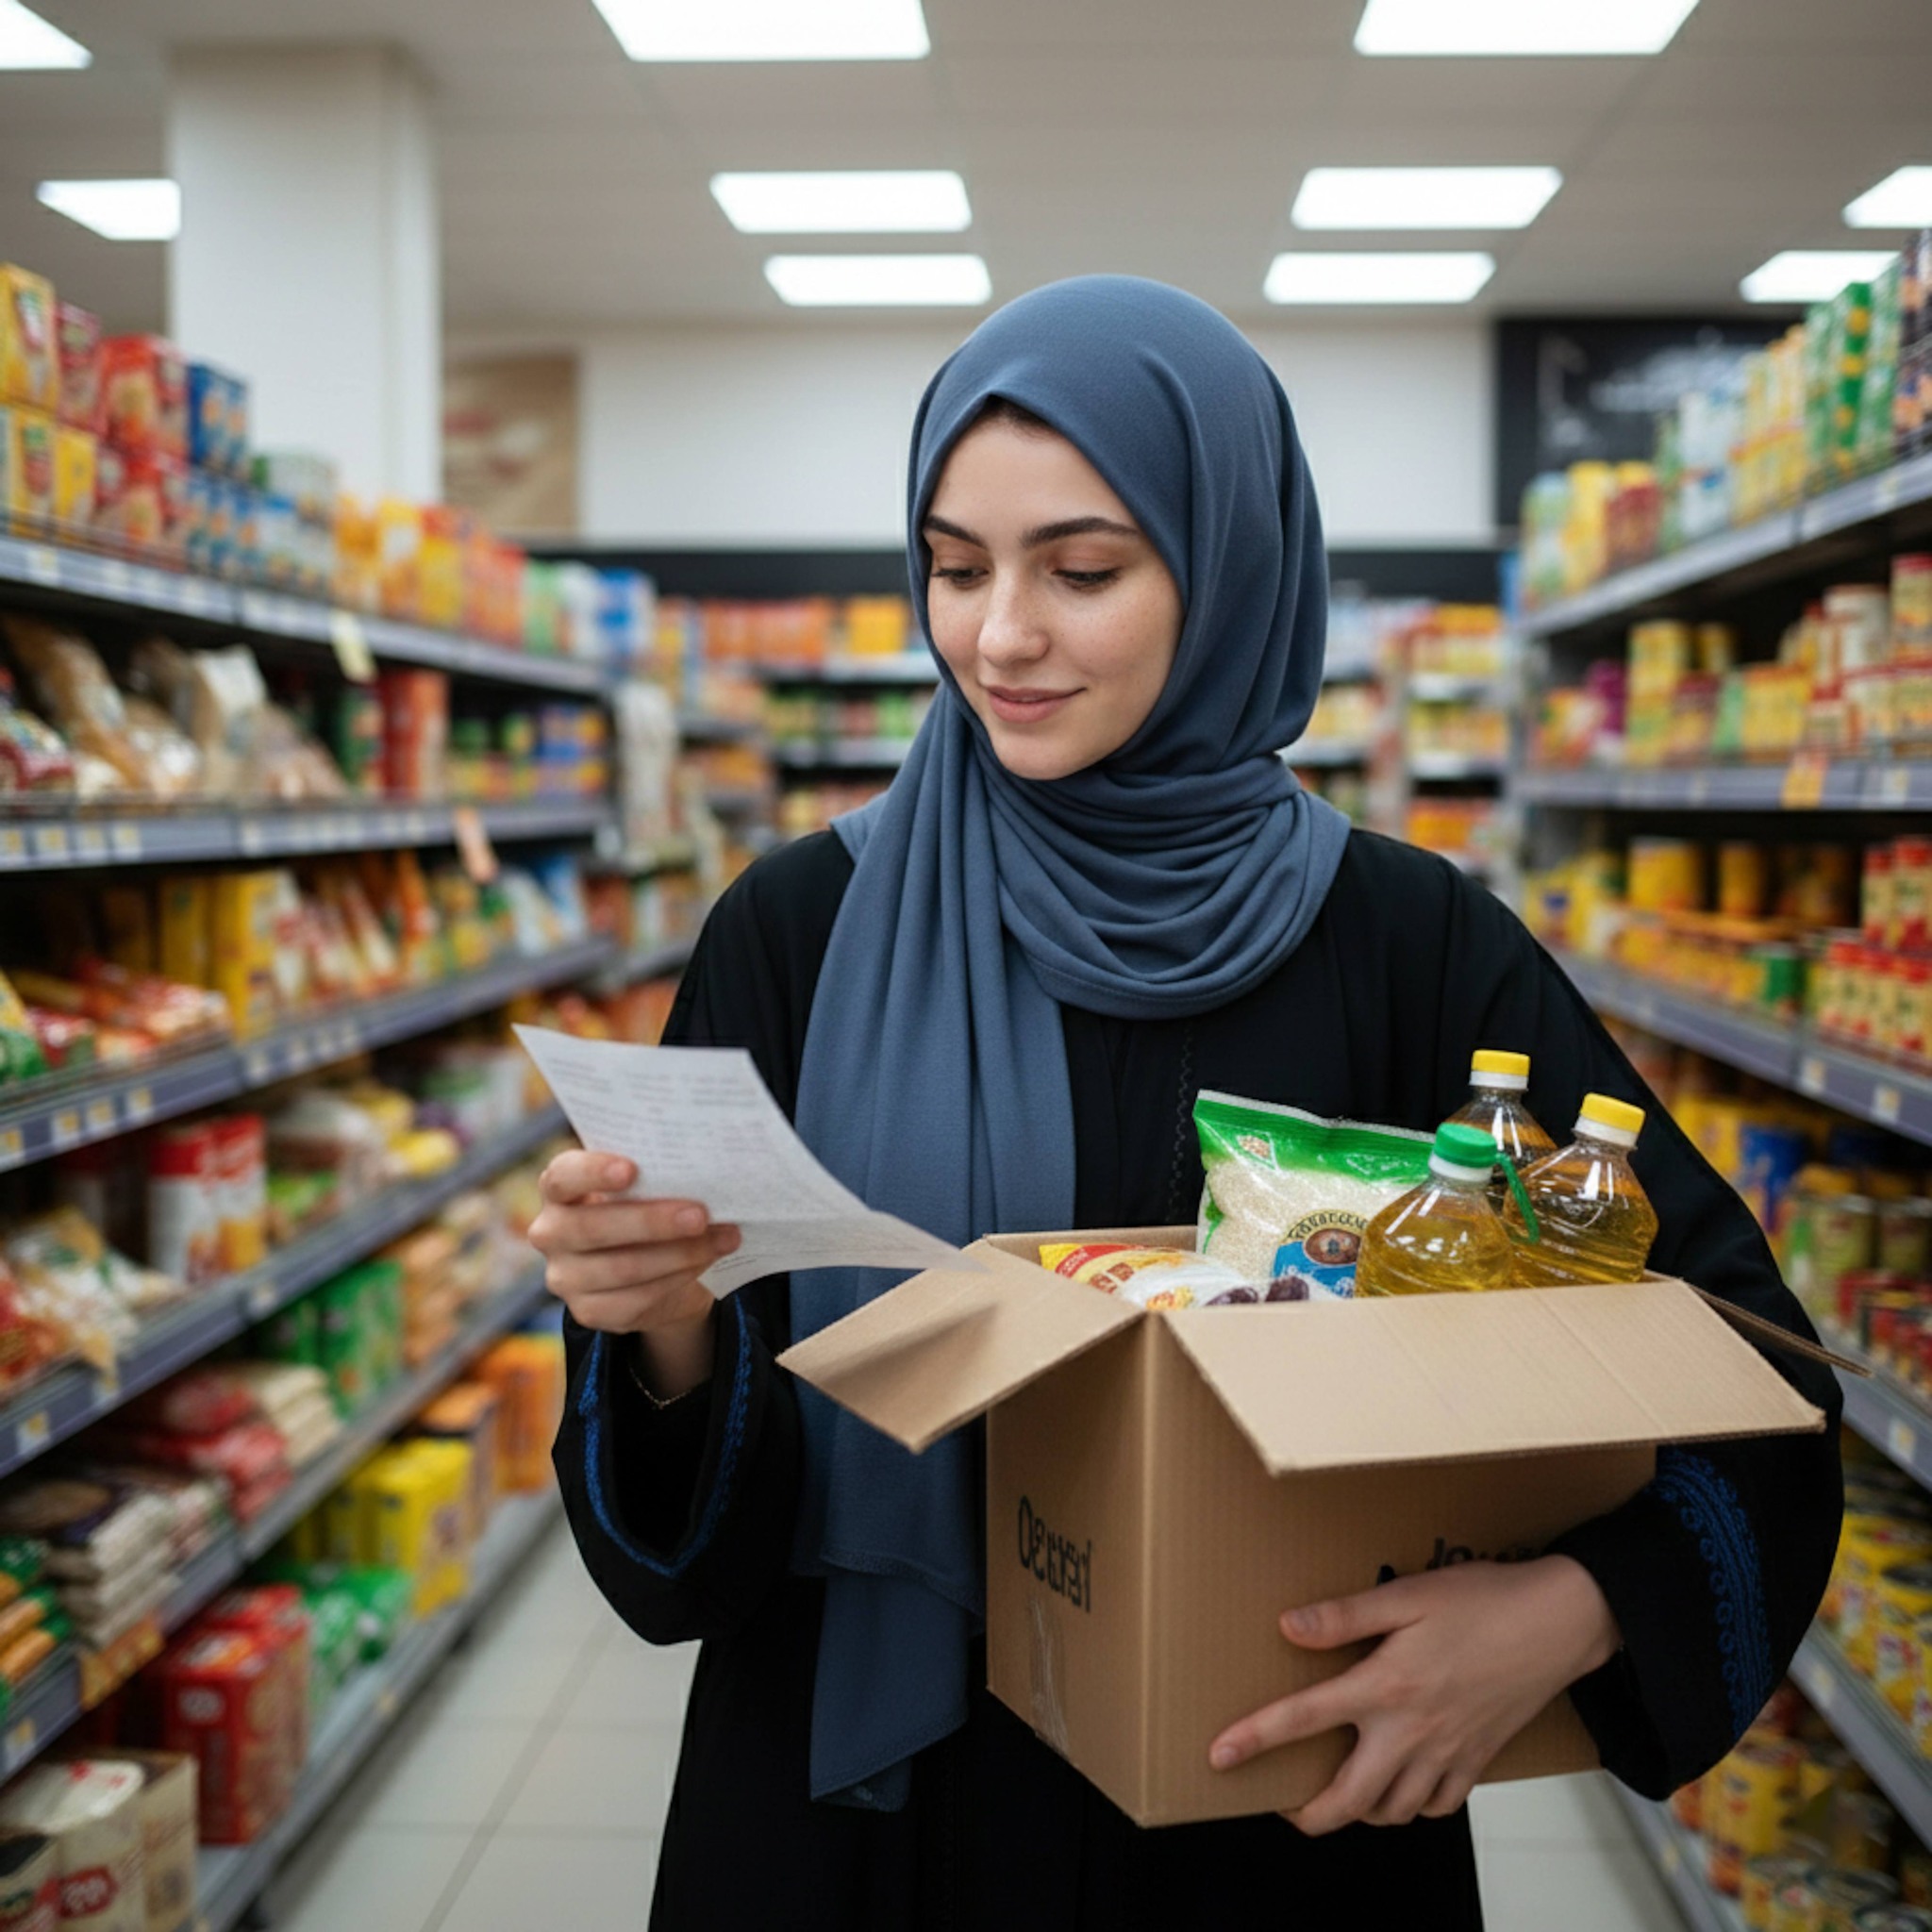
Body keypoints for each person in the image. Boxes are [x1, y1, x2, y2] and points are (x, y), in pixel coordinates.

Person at [533, 275, 1841, 1931]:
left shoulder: (1415, 946)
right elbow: (682, 1535)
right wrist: (654, 1325)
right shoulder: (798, 931)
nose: (1000, 635)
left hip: (1277, 1809)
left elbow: (1752, 1370)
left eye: (1082, 570)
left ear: (1228, 569)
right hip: (867, 1826)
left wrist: (1579, 1607)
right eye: (953, 567)